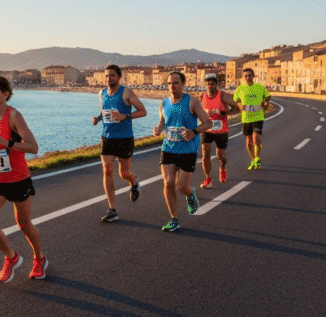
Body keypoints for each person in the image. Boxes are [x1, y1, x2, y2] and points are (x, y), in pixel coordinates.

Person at [0, 76, 48, 282]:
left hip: (18, 179)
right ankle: (11, 257)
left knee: (24, 225)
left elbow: (33, 147)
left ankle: (39, 258)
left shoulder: (14, 116)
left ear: (5, 94)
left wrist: (6, 142)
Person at [153, 72, 213, 232]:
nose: (172, 86)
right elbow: (162, 121)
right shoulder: (163, 103)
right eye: (170, 83)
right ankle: (174, 219)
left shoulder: (192, 102)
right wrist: (158, 129)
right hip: (168, 148)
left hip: (188, 149)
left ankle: (190, 194)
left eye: (176, 83)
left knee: (180, 186)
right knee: (168, 184)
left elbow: (208, 123)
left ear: (183, 84)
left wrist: (194, 131)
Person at [91, 65, 147, 222]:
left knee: (124, 173)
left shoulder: (126, 92)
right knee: (107, 170)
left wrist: (125, 116)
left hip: (125, 138)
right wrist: (97, 118)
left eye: (112, 76)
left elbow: (143, 111)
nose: (109, 79)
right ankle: (112, 210)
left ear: (119, 77)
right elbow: (104, 111)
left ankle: (133, 181)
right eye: (107, 76)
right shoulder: (101, 93)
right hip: (107, 137)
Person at [199, 73, 240, 188]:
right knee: (205, 154)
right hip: (207, 129)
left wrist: (226, 113)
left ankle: (222, 167)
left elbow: (237, 109)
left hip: (221, 130)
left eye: (212, 84)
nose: (209, 86)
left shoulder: (223, 96)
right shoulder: (202, 97)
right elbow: (197, 111)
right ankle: (208, 179)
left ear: (216, 84)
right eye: (208, 84)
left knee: (220, 155)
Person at [233, 68, 272, 170]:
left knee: (256, 137)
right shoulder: (240, 89)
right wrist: (240, 104)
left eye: (249, 75)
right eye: (245, 76)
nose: (247, 77)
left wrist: (266, 103)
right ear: (243, 77)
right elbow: (236, 100)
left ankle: (257, 157)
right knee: (248, 141)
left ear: (253, 76)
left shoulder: (259, 87)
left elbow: (267, 97)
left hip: (258, 116)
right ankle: (253, 159)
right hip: (246, 118)